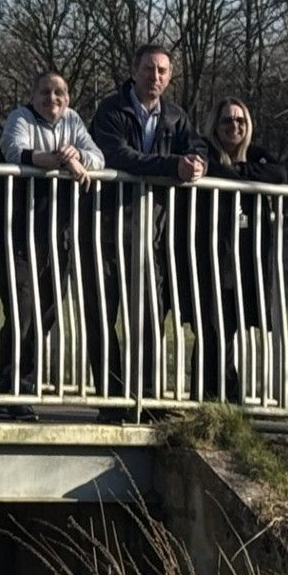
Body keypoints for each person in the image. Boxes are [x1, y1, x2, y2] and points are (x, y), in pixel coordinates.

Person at [86, 44, 209, 399]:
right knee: (102, 318)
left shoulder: (175, 115)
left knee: (151, 318)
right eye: (148, 69)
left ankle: (145, 397)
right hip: (106, 230)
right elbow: (118, 155)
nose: (155, 77)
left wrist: (197, 163)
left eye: (162, 71)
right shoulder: (111, 109)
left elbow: (198, 146)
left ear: (169, 76)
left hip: (152, 234)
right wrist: (172, 166)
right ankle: (111, 398)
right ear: (134, 70)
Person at [0, 71, 105, 419]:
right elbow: (16, 152)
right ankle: (8, 392)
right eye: (45, 92)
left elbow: (98, 158)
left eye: (59, 93)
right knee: (22, 310)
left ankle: (20, 386)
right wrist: (62, 158)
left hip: (58, 234)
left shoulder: (72, 120)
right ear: (33, 93)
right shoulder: (20, 117)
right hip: (17, 231)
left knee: (47, 314)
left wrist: (78, 158)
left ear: (68, 97)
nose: (52, 98)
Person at [192, 98, 288, 404]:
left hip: (244, 258)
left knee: (230, 326)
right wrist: (241, 176)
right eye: (226, 121)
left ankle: (222, 396)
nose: (234, 126)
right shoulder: (204, 151)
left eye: (240, 121)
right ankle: (213, 396)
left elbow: (280, 174)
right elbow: (218, 174)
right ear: (215, 126)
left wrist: (244, 170)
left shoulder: (257, 156)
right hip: (210, 254)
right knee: (211, 328)